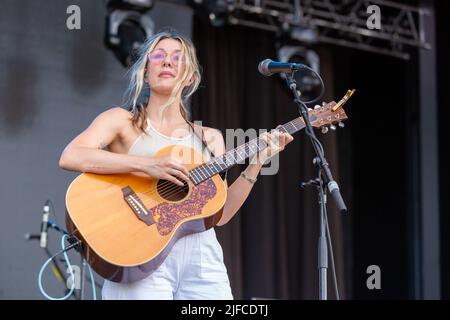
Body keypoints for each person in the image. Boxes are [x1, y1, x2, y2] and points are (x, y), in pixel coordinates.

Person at [58, 29, 293, 300]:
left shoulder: (210, 139)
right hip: (141, 253)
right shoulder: (120, 120)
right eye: (158, 55)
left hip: (203, 260)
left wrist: (257, 163)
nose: (167, 62)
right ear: (146, 72)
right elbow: (71, 156)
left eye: (177, 57)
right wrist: (148, 166)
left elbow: (221, 214)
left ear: (190, 77)